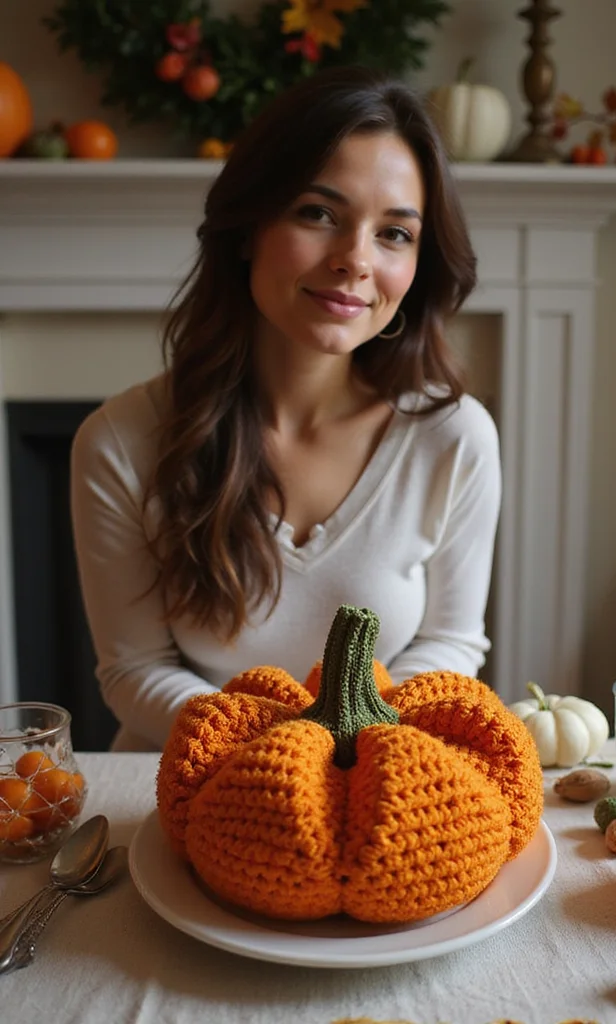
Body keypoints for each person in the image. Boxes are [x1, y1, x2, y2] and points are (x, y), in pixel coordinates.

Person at [70, 65, 502, 752]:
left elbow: (452, 642)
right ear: (248, 227)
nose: (355, 260)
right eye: (318, 214)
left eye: (394, 233)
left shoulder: (455, 437)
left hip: (372, 773)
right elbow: (134, 670)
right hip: (187, 783)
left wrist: (348, 747)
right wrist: (279, 750)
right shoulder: (120, 442)